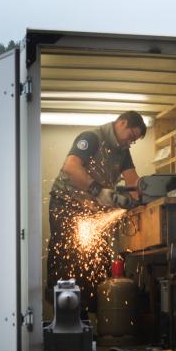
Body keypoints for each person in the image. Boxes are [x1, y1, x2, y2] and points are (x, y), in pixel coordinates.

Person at [45, 111, 147, 311]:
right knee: (68, 258)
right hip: (67, 203)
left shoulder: (123, 150)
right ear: (122, 123)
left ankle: (87, 314)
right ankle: (65, 311)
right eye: (131, 136)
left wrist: (141, 200)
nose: (131, 142)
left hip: (91, 210)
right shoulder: (92, 138)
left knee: (96, 260)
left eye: (134, 140)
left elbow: (133, 181)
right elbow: (71, 167)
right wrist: (98, 191)